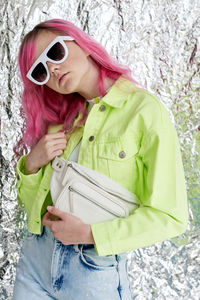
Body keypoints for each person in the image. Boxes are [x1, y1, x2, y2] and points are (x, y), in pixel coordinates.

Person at [12, 18, 188, 300]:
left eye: (55, 53)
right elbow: (34, 210)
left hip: (92, 272)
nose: (53, 69)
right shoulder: (60, 122)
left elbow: (170, 216)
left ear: (80, 42)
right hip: (36, 265)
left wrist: (90, 234)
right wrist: (32, 164)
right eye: (41, 71)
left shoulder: (143, 110)